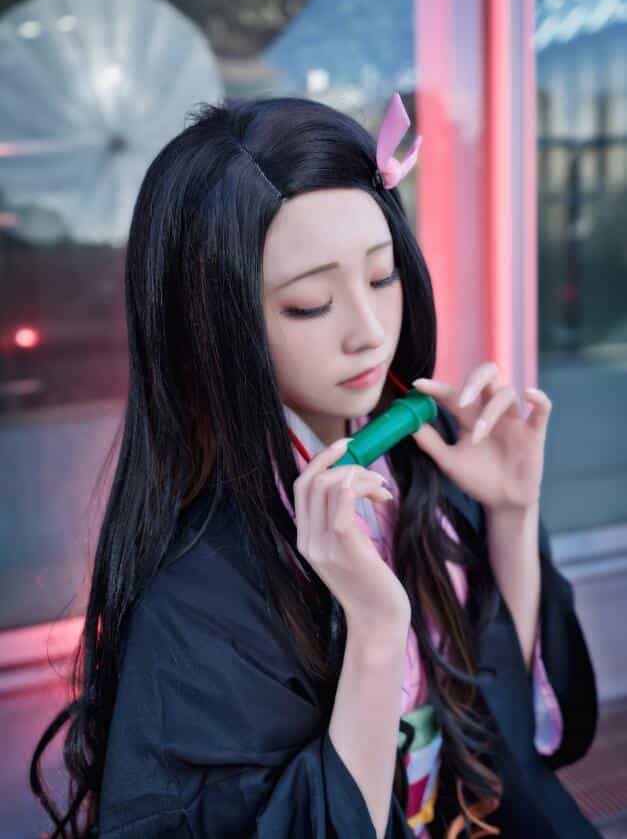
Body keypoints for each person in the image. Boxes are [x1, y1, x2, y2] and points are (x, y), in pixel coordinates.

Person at [30, 92, 601, 839]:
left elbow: (503, 740)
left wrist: (511, 515)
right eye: (309, 304)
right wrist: (375, 629)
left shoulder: (425, 458)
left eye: (381, 276)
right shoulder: (197, 587)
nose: (368, 332)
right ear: (216, 327)